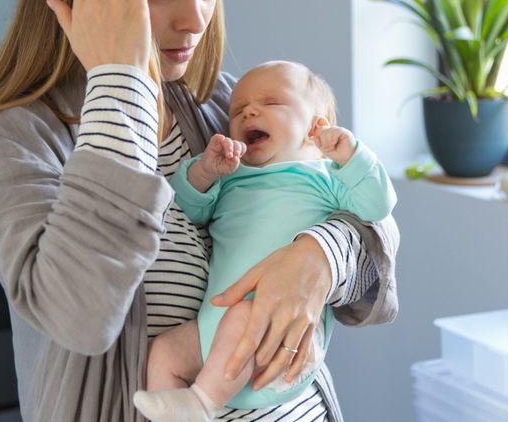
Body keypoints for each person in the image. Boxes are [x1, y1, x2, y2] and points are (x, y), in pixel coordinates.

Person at [0, 0, 400, 422]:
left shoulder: (227, 108)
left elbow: (376, 243)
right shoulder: (13, 141)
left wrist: (318, 259)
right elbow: (80, 316)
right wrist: (119, 82)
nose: (197, 18)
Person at [133, 61, 396, 422]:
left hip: (276, 332)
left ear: (316, 126)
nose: (249, 111)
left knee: (245, 315)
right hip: (211, 329)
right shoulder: (231, 177)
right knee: (163, 353)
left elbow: (377, 209)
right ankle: (178, 411)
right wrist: (204, 172)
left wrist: (353, 157)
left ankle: (200, 404)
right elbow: (185, 211)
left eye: (271, 103)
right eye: (238, 110)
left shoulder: (326, 176)